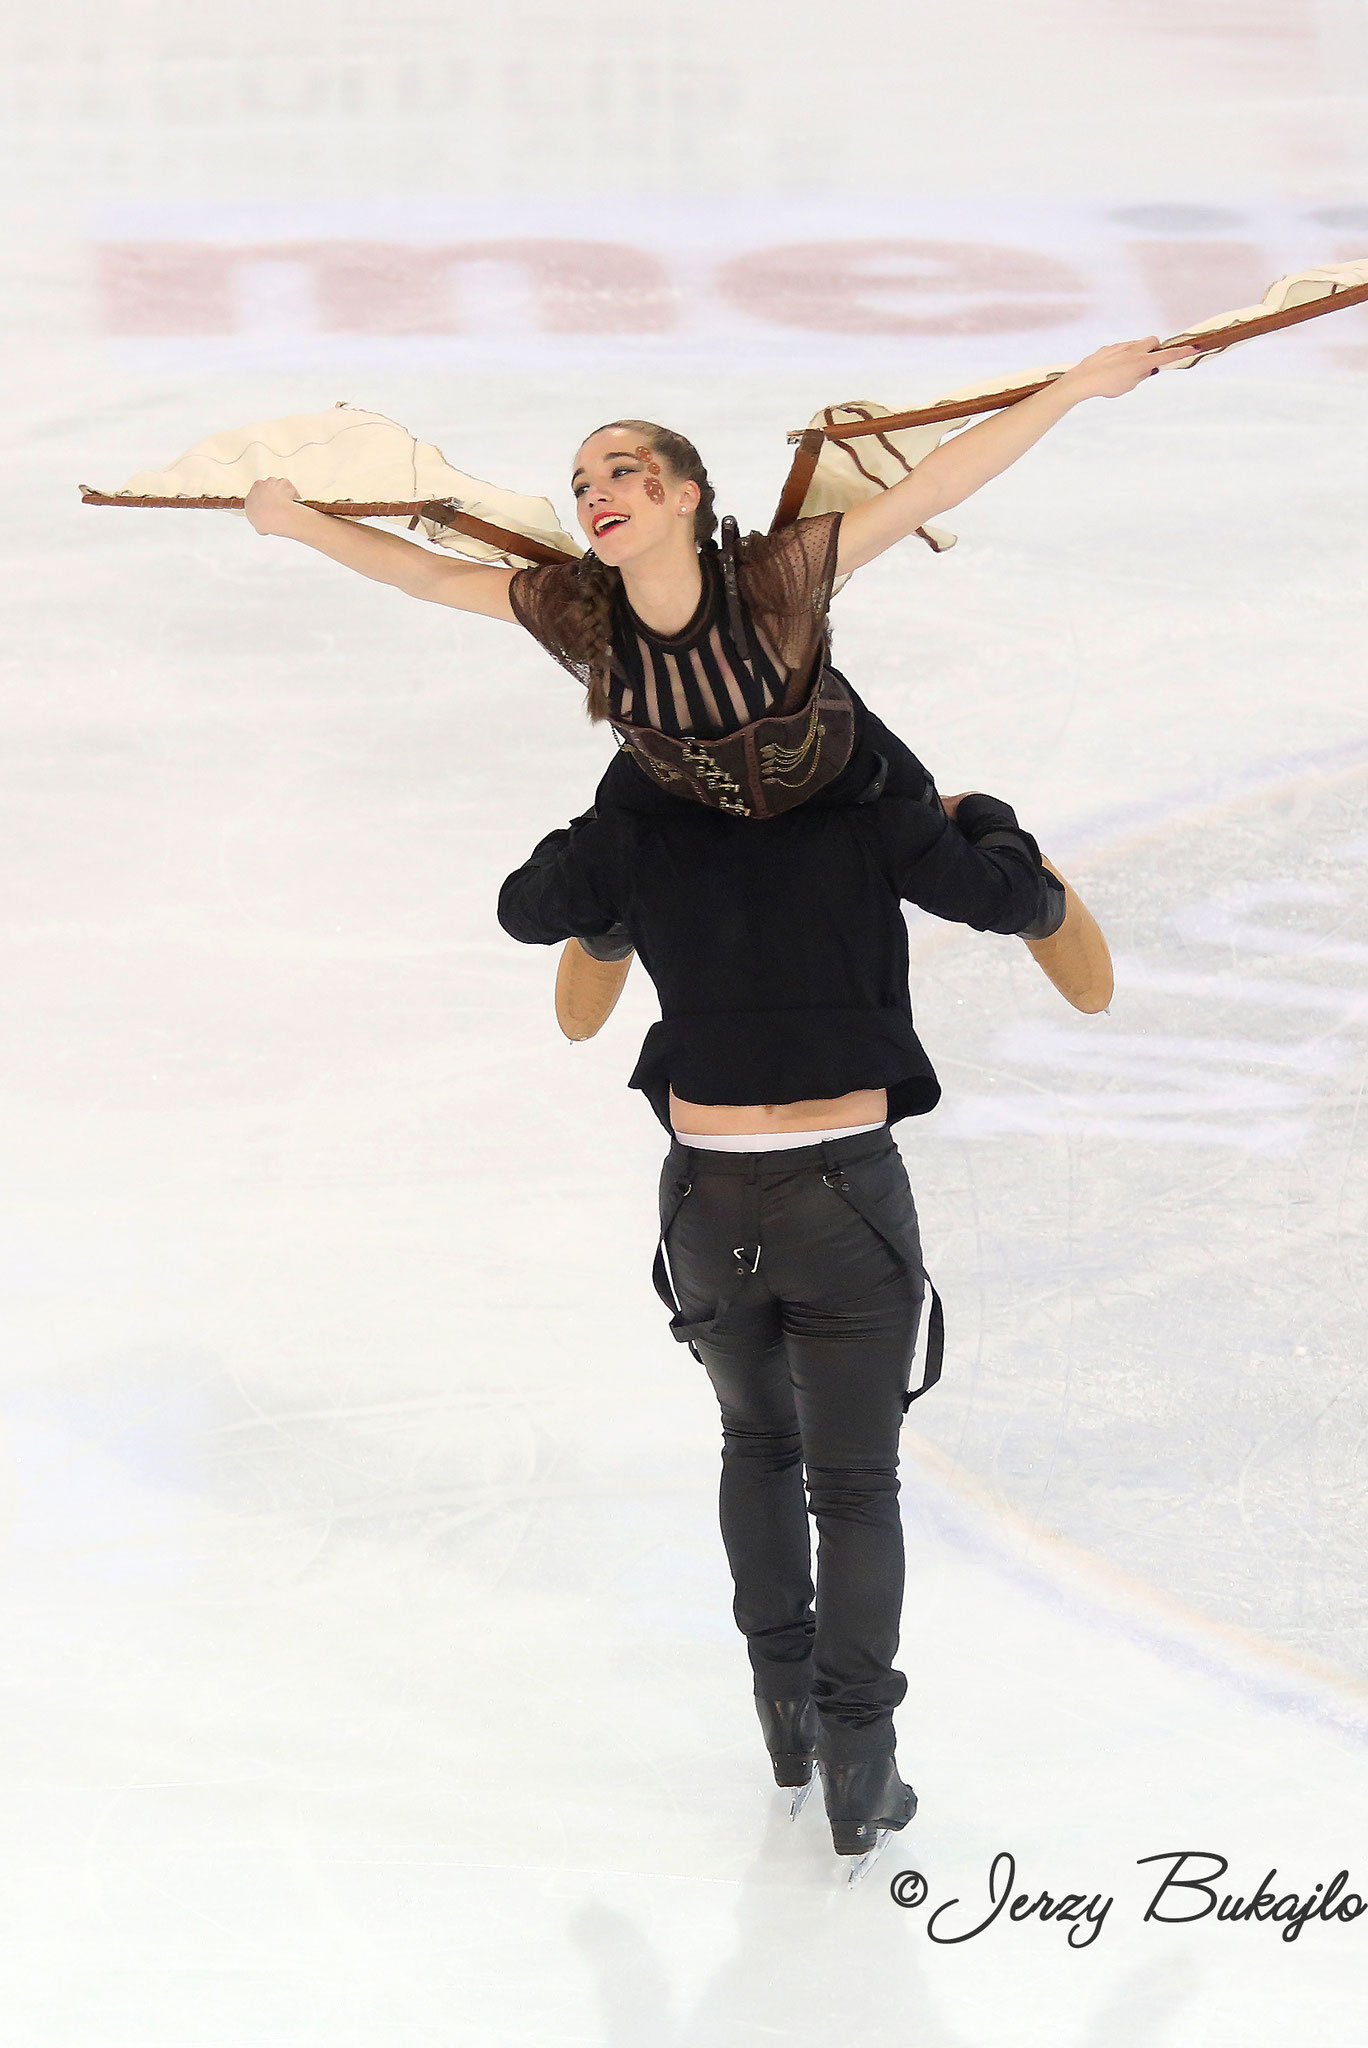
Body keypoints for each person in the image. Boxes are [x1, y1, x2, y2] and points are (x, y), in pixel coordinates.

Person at [496, 729, 1066, 1864]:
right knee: (855, 1486)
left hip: (707, 1195)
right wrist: (983, 813)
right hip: (841, 1192)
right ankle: (863, 1763)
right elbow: (1006, 895)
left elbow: (529, 907)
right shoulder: (864, 792)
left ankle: (787, 1720)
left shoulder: (644, 809)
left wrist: (607, 847)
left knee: (757, 1444)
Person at [240, 336, 1194, 829]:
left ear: (686, 493)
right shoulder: (577, 604)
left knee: (971, 886)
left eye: (620, 471)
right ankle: (606, 922)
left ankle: (993, 842)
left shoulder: (775, 579)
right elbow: (426, 575)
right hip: (680, 799)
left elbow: (937, 480)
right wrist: (295, 522)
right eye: (582, 485)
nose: (596, 493)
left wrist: (1075, 386)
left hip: (836, 776)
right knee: (549, 901)